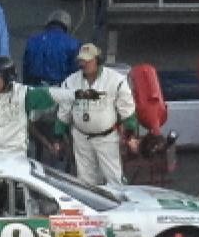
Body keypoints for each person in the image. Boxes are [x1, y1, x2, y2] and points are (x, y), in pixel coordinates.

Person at [53, 44, 139, 187]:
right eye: (82, 60)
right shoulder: (70, 82)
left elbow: (127, 110)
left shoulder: (116, 80)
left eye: (88, 60)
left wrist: (131, 136)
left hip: (107, 138)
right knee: (85, 180)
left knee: (114, 179)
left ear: (98, 60)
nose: (84, 64)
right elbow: (64, 112)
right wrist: (58, 137)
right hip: (81, 138)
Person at [22, 10, 81, 86]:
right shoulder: (73, 44)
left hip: (34, 86)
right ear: (67, 26)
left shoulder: (32, 40)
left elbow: (26, 68)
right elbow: (75, 72)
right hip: (60, 88)